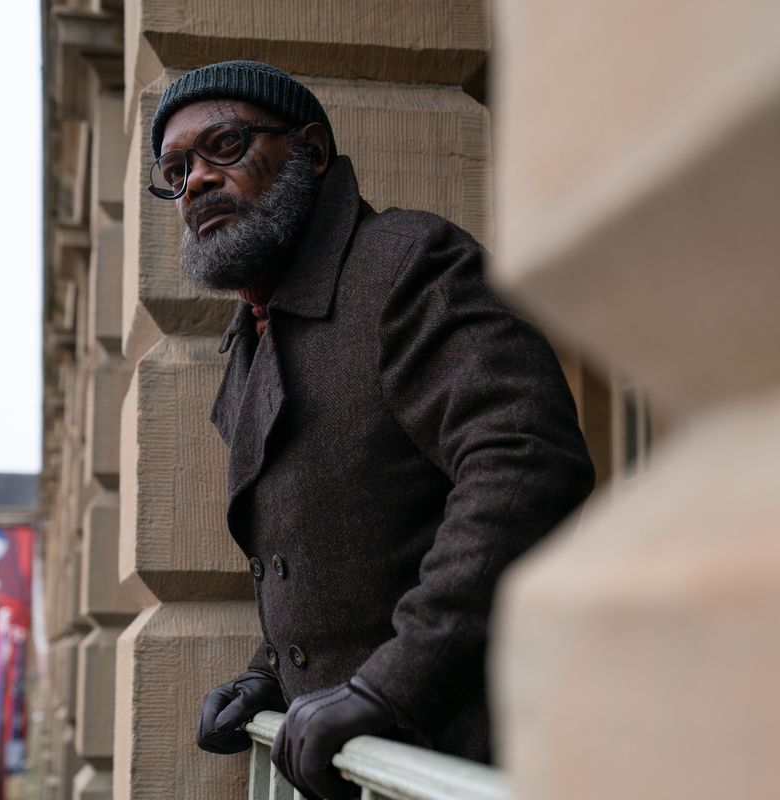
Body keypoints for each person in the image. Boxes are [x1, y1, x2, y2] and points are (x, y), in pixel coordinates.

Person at [149, 60, 595, 800]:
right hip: (357, 768)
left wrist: (387, 686)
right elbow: (330, 555)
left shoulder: (406, 262)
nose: (194, 181)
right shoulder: (254, 340)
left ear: (312, 152)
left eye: (224, 146)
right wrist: (270, 676)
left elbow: (525, 463)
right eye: (175, 169)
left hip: (463, 758)